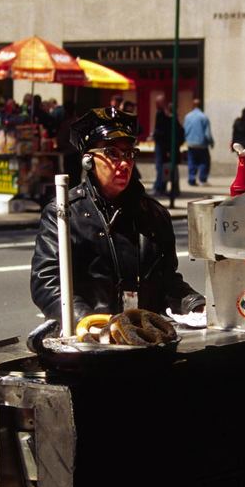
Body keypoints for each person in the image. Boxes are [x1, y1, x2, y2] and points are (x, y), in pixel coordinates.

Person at [30, 106, 205, 323]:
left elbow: (168, 282)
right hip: (90, 343)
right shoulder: (65, 212)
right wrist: (88, 322)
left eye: (129, 154)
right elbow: (47, 283)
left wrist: (195, 305)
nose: (124, 163)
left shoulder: (154, 214)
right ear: (88, 160)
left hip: (145, 338)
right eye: (112, 153)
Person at [183, 98, 214, 186]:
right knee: (204, 162)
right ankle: (202, 179)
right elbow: (207, 133)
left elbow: (185, 129)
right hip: (202, 144)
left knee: (192, 161)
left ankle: (191, 179)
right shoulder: (203, 117)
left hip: (191, 143)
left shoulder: (188, 116)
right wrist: (211, 142)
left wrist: (185, 140)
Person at [151, 94, 171, 196]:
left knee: (160, 167)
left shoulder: (161, 113)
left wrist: (155, 135)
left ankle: (159, 187)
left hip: (161, 144)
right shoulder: (166, 113)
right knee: (163, 167)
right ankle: (160, 186)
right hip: (164, 144)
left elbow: (161, 130)